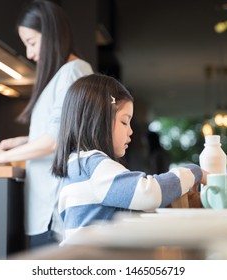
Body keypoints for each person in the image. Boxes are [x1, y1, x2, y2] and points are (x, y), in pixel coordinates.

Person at [0, 0, 93, 248]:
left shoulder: (72, 72)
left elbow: (56, 140)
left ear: (51, 34)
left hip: (53, 210)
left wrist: (1, 155)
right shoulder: (65, 74)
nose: (29, 53)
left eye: (32, 42)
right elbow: (62, 131)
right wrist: (23, 140)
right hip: (45, 212)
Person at [51, 74, 207, 243]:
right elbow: (149, 193)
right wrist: (194, 172)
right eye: (124, 122)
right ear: (98, 120)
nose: (131, 131)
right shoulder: (94, 166)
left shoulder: (77, 165)